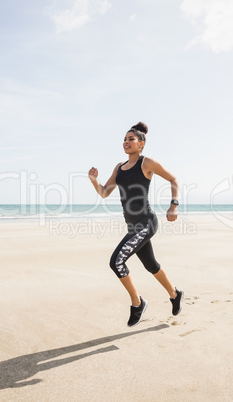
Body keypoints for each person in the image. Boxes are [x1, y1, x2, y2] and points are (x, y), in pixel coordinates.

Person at [88, 122, 184, 327]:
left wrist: (173, 205)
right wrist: (93, 180)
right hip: (133, 227)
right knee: (151, 265)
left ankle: (137, 303)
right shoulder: (119, 168)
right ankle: (175, 294)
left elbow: (173, 179)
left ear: (141, 144)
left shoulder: (146, 163)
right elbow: (105, 192)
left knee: (116, 261)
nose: (126, 142)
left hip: (146, 223)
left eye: (131, 139)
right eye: (124, 139)